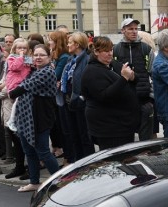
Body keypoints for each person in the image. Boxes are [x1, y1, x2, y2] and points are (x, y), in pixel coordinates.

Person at [9, 44, 61, 192]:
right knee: (29, 151)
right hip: (26, 118)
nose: (38, 58)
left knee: (43, 151)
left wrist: (10, 89)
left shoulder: (47, 72)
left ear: (49, 57)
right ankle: (34, 182)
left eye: (42, 55)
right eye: (35, 55)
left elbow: (19, 89)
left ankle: (59, 182)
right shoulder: (33, 71)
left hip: (40, 118)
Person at [81, 36, 139, 149]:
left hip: (122, 126)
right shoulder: (92, 71)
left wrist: (131, 76)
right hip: (109, 129)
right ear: (96, 52)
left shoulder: (112, 63)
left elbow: (134, 77)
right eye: (106, 51)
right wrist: (124, 79)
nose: (110, 53)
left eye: (111, 50)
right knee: (115, 161)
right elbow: (105, 96)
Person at [114, 18, 156, 141]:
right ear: (123, 31)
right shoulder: (116, 49)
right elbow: (114, 74)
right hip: (124, 101)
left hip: (144, 99)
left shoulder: (146, 49)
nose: (134, 32)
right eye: (130, 29)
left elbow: (153, 74)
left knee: (145, 139)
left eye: (135, 29)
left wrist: (151, 97)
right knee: (126, 138)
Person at [59, 32, 95, 162]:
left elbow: (87, 81)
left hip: (80, 103)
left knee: (84, 136)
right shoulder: (71, 59)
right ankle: (78, 164)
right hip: (69, 102)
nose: (67, 45)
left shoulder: (87, 59)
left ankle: (88, 164)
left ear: (77, 44)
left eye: (70, 42)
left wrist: (81, 98)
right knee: (74, 135)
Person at [0, 38, 32, 179]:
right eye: (19, 48)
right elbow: (5, 78)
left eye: (24, 48)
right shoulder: (10, 60)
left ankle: (28, 167)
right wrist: (0, 87)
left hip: (20, 99)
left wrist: (4, 91)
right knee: (12, 134)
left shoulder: (28, 61)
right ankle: (19, 166)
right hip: (8, 102)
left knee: (22, 137)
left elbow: (28, 79)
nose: (22, 51)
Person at [48, 31, 71, 159]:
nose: (49, 42)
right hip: (56, 96)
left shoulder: (63, 57)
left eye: (51, 40)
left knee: (63, 127)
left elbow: (54, 76)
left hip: (61, 97)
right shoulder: (57, 56)